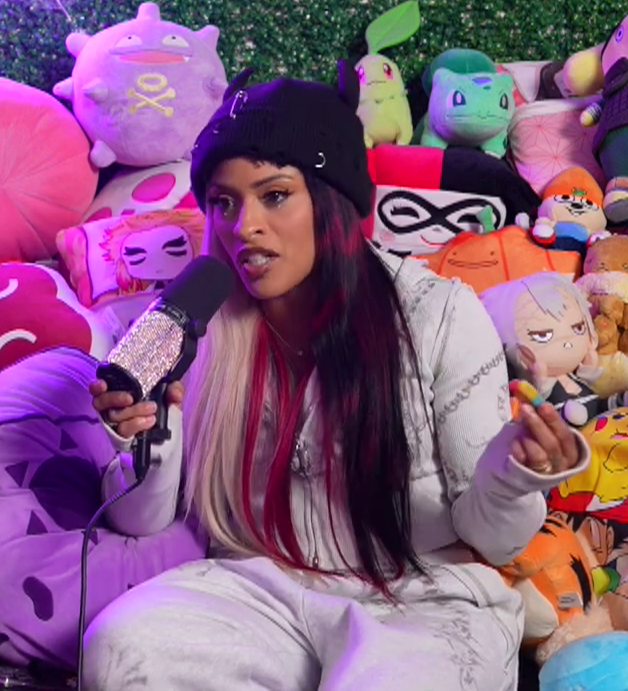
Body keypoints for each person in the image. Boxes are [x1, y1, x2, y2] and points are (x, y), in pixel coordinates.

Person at [82, 75, 590, 690]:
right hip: (260, 591)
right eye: (224, 202)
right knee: (118, 648)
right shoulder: (191, 326)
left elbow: (496, 540)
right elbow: (138, 521)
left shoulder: (439, 313)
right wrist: (143, 438)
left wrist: (517, 475)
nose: (244, 226)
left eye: (274, 195)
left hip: (422, 600)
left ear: (331, 199)